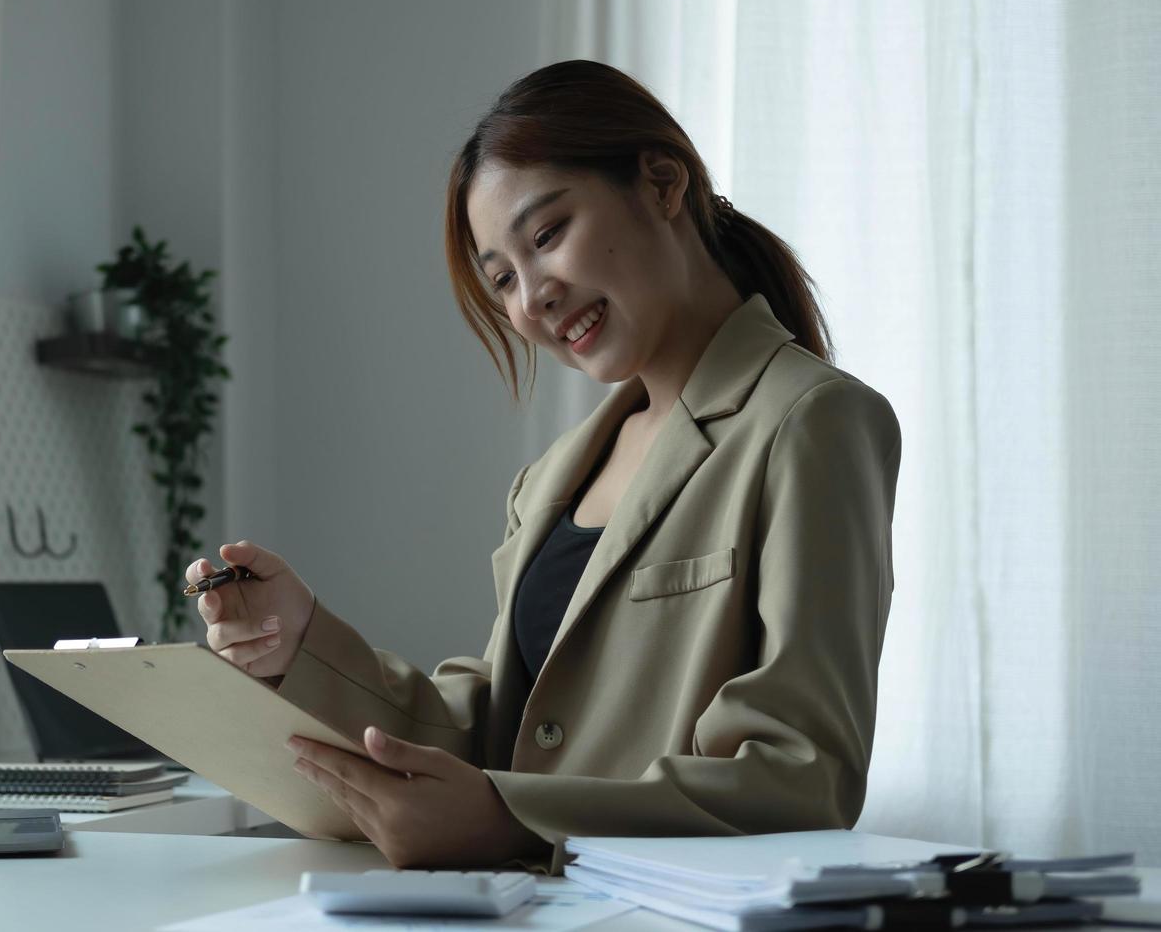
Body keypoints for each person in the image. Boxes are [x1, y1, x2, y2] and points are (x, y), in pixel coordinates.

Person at [187, 60, 902, 873]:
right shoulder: (550, 480)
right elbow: (496, 727)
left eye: (547, 235)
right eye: (502, 280)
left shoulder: (812, 421)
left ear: (662, 183)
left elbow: (802, 779)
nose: (533, 298)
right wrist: (302, 642)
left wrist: (516, 822)